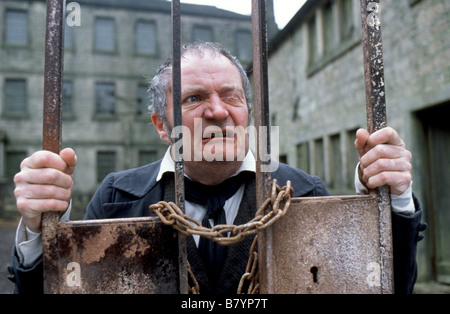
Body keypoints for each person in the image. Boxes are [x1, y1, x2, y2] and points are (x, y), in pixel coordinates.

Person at [9, 42, 425, 294]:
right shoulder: (118, 197)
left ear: (247, 111)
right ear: (160, 124)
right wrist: (39, 228)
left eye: (231, 96)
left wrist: (391, 201)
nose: (217, 112)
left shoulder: (301, 191)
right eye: (193, 99)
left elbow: (386, 286)